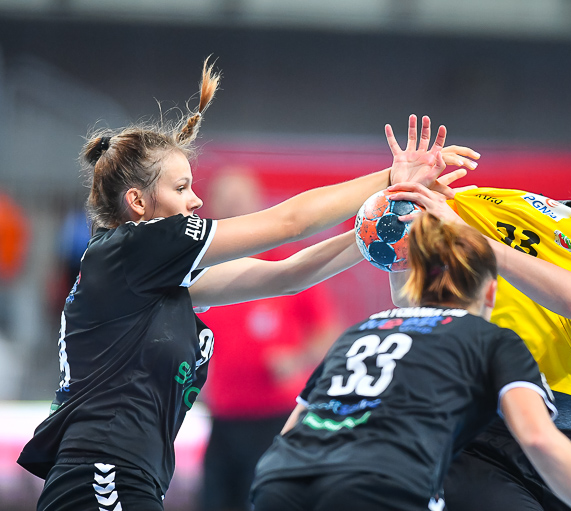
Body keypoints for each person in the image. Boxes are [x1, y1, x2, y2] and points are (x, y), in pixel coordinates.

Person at [15, 57, 472, 511]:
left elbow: (288, 275)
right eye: (181, 188)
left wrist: (388, 222)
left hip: (120, 478)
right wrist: (390, 179)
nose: (196, 200)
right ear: (137, 201)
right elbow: (290, 222)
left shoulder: (146, 277)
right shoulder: (134, 249)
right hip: (103, 476)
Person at [387, 125, 571, 510]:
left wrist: (471, 239)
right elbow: (409, 294)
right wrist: (401, 196)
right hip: (486, 425)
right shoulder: (506, 206)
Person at [249, 212, 571, 511]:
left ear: (415, 285)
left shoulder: (360, 331)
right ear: (491, 291)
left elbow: (294, 427)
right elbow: (538, 438)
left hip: (279, 480)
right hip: (380, 485)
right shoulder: (489, 338)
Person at [198, 170, 343, 511]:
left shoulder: (287, 265)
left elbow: (329, 333)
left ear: (257, 205)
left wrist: (296, 359)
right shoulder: (204, 270)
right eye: (226, 202)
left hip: (275, 417)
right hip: (223, 418)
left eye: (240, 201)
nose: (234, 209)